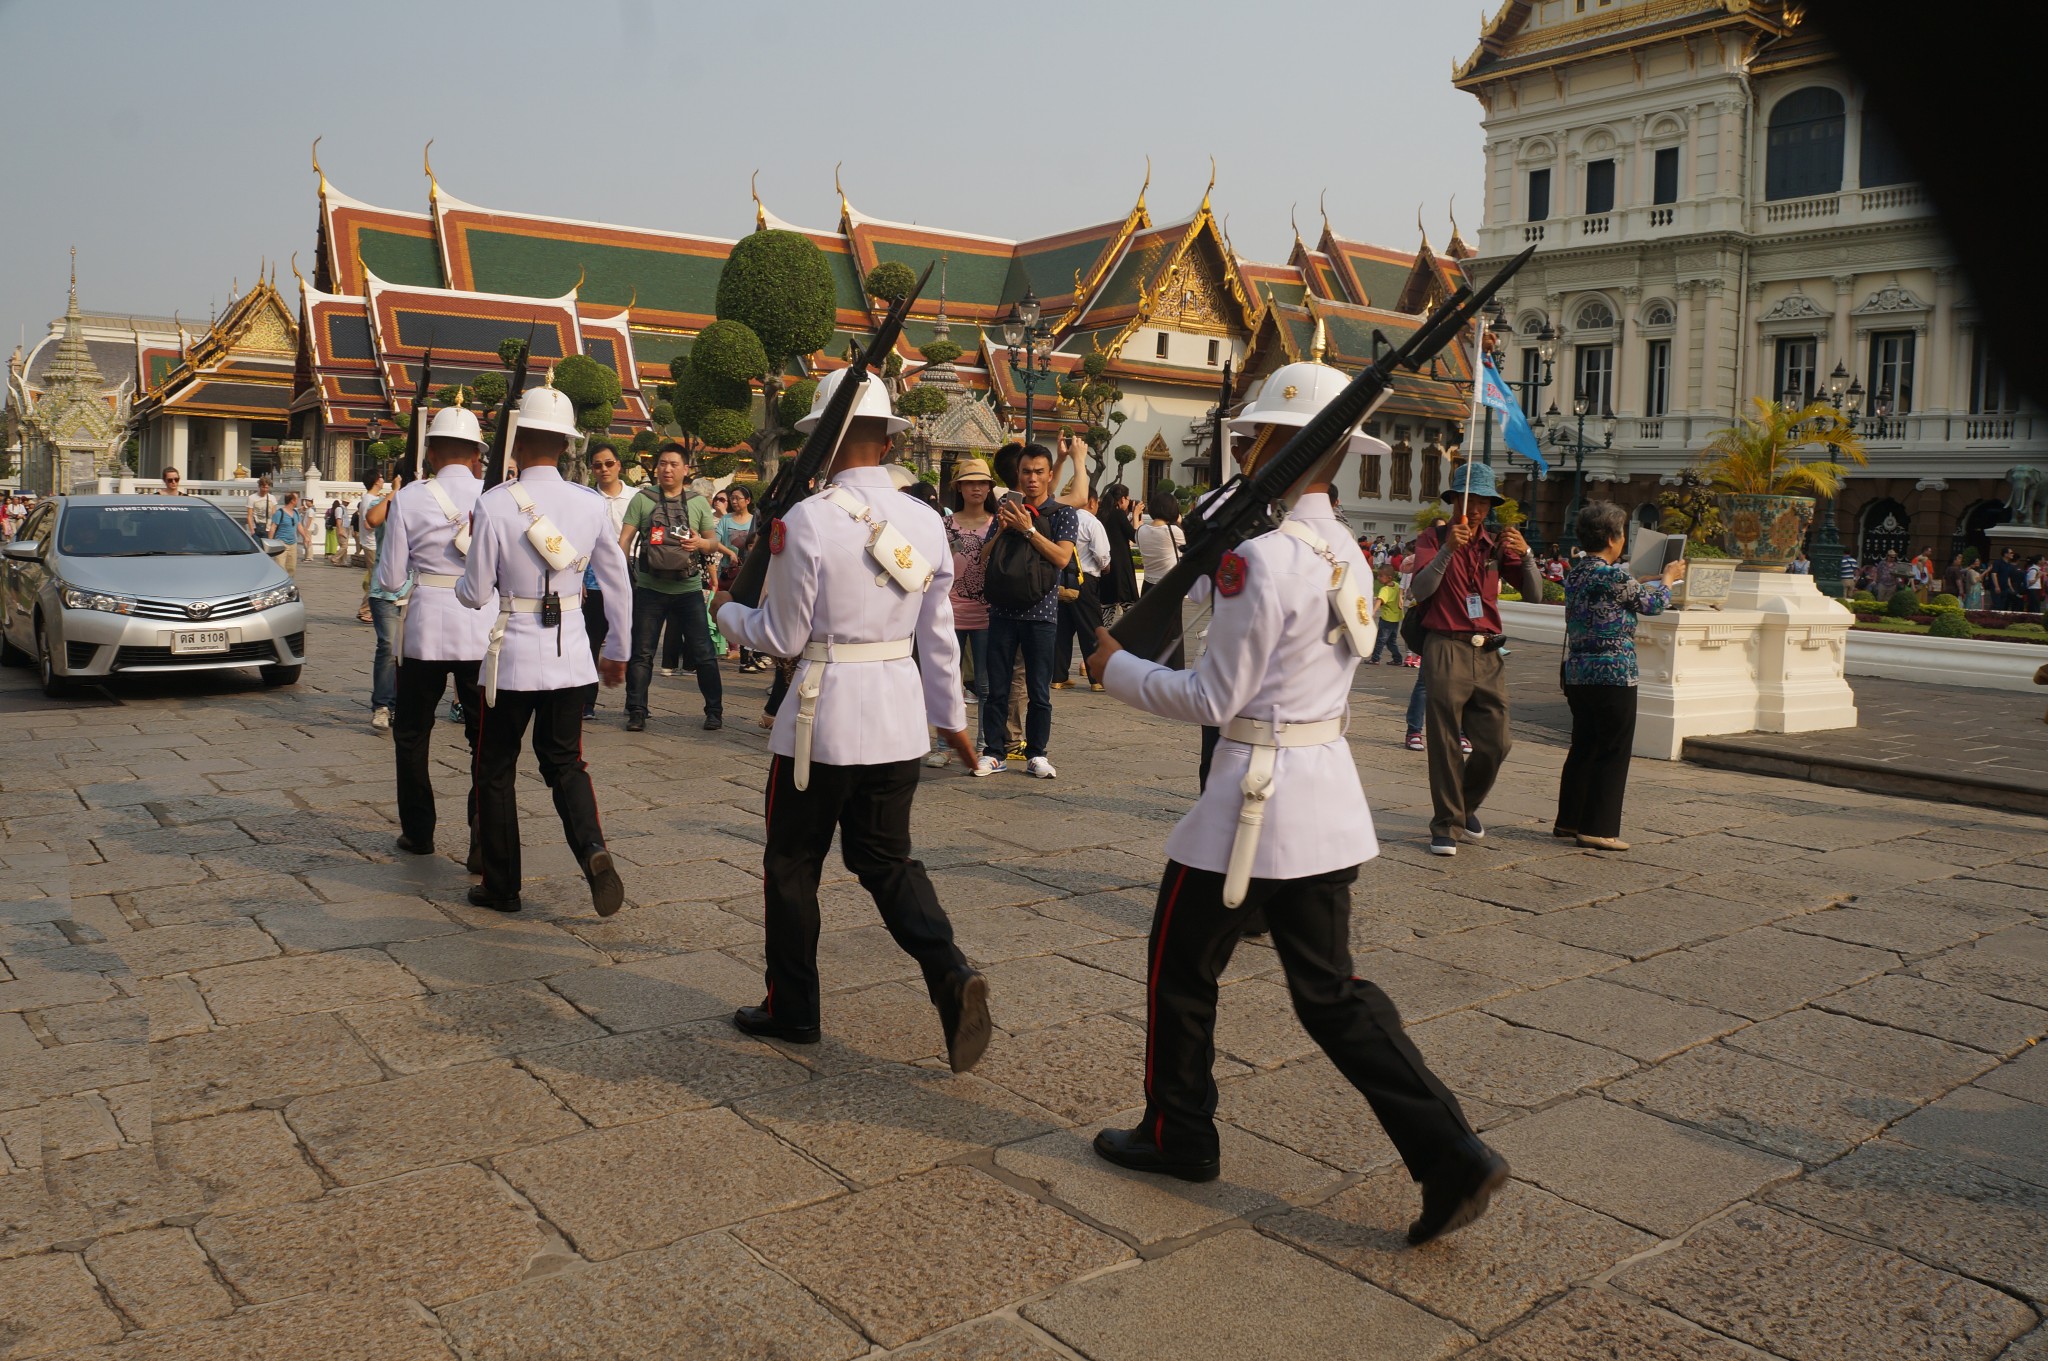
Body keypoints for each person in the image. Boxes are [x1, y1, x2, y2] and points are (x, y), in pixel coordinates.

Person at [1081, 386, 1507, 1247]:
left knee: (1178, 962)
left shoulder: (1268, 557)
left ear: (1270, 442)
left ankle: (1180, 1129)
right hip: (1320, 795)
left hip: (1252, 802)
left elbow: (1212, 696)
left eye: (1254, 438)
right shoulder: (1344, 548)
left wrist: (1114, 669)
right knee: (1331, 993)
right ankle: (1449, 1148)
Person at [714, 367, 992, 1072]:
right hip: (898, 716)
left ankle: (793, 1006)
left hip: (823, 716)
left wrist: (726, 613)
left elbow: (779, 634)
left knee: (793, 863)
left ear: (825, 436)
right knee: (887, 861)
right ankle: (949, 970)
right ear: (888, 436)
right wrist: (952, 719)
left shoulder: (805, 520)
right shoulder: (926, 521)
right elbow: (939, 638)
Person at [456, 380, 633, 916]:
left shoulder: (494, 504)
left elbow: (474, 593)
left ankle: (502, 884)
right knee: (565, 763)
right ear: (566, 445)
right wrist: (618, 648)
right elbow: (617, 580)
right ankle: (594, 851)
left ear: (517, 442)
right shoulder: (589, 503)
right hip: (570, 653)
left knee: (495, 768)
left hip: (510, 657)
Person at [377, 400, 494, 868]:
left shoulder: (409, 498)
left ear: (431, 453)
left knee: (412, 733)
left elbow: (388, 579)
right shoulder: (496, 494)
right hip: (481, 626)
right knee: (483, 739)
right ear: (474, 453)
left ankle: (418, 832)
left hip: (424, 628)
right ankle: (482, 837)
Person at [1407, 462, 1543, 855]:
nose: (1476, 509)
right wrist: (1449, 550)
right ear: (1454, 502)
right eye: (1469, 500)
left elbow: (1534, 594)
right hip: (1445, 644)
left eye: (1483, 502)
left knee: (1497, 742)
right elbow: (1420, 589)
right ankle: (1446, 825)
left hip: (1487, 649)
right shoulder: (1434, 538)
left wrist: (1528, 554)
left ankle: (1463, 806)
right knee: (1446, 738)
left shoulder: (1496, 544)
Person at [1555, 502, 1684, 852]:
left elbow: (1619, 594)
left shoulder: (1578, 572)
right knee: (1613, 749)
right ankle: (1598, 828)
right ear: (1613, 538)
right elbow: (1653, 605)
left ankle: (1569, 820)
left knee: (1583, 745)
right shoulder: (1613, 575)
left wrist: (1640, 582)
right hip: (1613, 672)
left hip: (1579, 671)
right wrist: (1669, 579)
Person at [977, 440, 1077, 778]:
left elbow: (1062, 557)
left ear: (1050, 476)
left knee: (1039, 691)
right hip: (1002, 611)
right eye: (1025, 472)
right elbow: (983, 557)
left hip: (1041, 613)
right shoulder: (1005, 507)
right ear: (1017, 475)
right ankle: (994, 752)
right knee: (996, 689)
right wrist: (1003, 530)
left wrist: (1029, 530)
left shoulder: (1062, 513)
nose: (1031, 479)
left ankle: (1037, 753)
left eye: (1038, 472)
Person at [619, 444, 722, 732]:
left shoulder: (699, 503)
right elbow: (624, 539)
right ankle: (637, 710)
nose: (667, 469)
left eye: (674, 464)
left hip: (687, 588)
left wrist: (700, 543)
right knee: (642, 652)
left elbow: (712, 542)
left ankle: (714, 711)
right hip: (650, 587)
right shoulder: (642, 499)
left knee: (703, 652)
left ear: (686, 469)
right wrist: (621, 576)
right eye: (663, 463)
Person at [582, 445, 639, 719]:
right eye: (597, 465)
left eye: (608, 463)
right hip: (593, 578)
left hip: (632, 574)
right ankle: (586, 702)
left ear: (619, 465)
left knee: (637, 641)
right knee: (590, 642)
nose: (603, 469)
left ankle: (635, 704)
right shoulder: (585, 498)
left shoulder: (636, 498)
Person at [945, 457, 997, 709]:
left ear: (989, 488)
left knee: (985, 684)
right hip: (950, 613)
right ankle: (946, 745)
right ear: (959, 488)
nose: (976, 488)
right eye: (969, 483)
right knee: (949, 682)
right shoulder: (945, 524)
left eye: (981, 483)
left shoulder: (997, 523)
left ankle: (985, 744)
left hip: (986, 615)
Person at [1053, 491, 1111, 693]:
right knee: (1092, 629)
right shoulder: (1092, 522)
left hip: (1062, 580)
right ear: (1092, 502)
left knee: (1062, 629)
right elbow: (1102, 555)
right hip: (1085, 580)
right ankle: (1097, 678)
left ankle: (1058, 676)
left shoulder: (1061, 518)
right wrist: (1106, 566)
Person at [361, 475, 401, 729]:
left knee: (412, 653)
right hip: (385, 588)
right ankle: (383, 705)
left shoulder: (427, 501)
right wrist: (394, 492)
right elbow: (372, 520)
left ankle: (401, 704)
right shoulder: (385, 501)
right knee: (388, 646)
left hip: (418, 588)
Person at [714, 485, 764, 672]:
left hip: (749, 572)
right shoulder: (725, 520)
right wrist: (729, 552)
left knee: (748, 610)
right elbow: (715, 540)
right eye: (732, 498)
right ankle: (736, 650)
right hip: (729, 572)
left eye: (738, 498)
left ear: (748, 501)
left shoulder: (754, 521)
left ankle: (750, 655)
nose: (734, 501)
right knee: (729, 607)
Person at [1095, 483, 1140, 629]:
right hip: (1121, 566)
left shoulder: (1100, 513)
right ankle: (1130, 638)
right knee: (1129, 605)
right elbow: (1134, 536)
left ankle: (1103, 639)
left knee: (1107, 606)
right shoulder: (1118, 514)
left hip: (1105, 565)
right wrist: (1136, 515)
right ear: (1122, 499)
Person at [1135, 488, 1185, 591]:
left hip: (1148, 584)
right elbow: (1189, 545)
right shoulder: (1173, 531)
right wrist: (1179, 524)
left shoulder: (1140, 531)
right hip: (1170, 584)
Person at [1365, 564, 1406, 664]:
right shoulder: (1396, 585)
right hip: (1396, 619)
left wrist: (1373, 611)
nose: (1378, 578)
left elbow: (1379, 600)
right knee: (1391, 641)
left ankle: (1375, 658)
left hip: (1387, 619)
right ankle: (1397, 659)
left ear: (1389, 577)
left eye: (1380, 576)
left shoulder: (1385, 590)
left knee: (1380, 640)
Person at [245, 476, 277, 541]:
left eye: (267, 488)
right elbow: (249, 516)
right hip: (256, 528)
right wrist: (252, 530)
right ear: (259, 486)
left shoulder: (272, 498)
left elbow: (274, 514)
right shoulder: (252, 498)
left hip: (268, 528)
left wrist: (273, 529)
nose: (265, 490)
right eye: (263, 487)